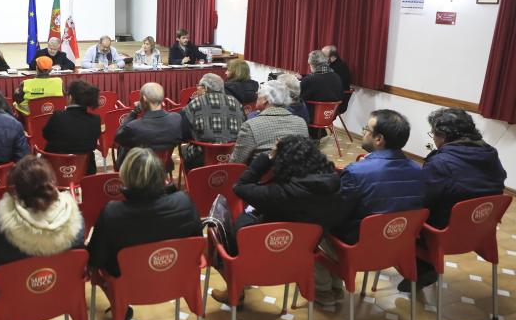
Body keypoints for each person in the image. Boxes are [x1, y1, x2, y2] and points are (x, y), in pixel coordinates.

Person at [211, 135, 349, 304]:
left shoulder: (282, 194)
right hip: (301, 256)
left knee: (220, 233)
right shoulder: (334, 182)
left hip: (263, 255)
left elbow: (239, 187)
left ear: (284, 161)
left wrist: (267, 157)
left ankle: (235, 291)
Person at [319, 109, 425, 306]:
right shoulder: (419, 171)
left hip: (358, 248)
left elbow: (337, 214)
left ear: (378, 139)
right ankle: (333, 285)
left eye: (366, 129)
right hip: (398, 246)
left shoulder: (357, 172)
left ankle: (323, 289)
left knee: (313, 228)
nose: (364, 132)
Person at [399, 108, 507, 292]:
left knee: (405, 215)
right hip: (481, 230)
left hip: (445, 235)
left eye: (433, 134)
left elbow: (421, 200)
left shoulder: (441, 163)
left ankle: (423, 267)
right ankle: (423, 268)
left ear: (443, 136)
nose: (433, 138)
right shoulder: (490, 153)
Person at [0, 155, 85, 298]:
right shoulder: (73, 216)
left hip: (8, 295)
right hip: (58, 289)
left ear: (17, 189)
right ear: (51, 182)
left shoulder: (0, 221)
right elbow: (78, 253)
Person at [87, 147, 201, 278]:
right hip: (176, 279)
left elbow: (95, 259)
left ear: (125, 176)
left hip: (127, 284)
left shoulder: (111, 213)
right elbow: (197, 246)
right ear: (160, 174)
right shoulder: (184, 202)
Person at [230, 80, 308, 165]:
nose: (256, 95)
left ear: (265, 100)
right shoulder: (301, 123)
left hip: (261, 172)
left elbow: (236, 162)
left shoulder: (250, 126)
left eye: (259, 93)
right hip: (295, 171)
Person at [180, 73, 245, 170]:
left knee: (183, 148)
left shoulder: (195, 103)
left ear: (205, 88)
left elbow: (183, 133)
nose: (197, 89)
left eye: (199, 86)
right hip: (232, 156)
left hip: (201, 159)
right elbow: (244, 126)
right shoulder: (236, 103)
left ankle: (191, 178)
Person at [114, 82, 183, 167]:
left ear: (144, 98)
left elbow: (118, 137)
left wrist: (134, 112)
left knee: (123, 148)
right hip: (164, 167)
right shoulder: (177, 118)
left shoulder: (134, 127)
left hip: (140, 169)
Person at [43, 80, 102, 174]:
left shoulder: (58, 116)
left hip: (55, 170)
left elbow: (46, 135)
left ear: (70, 97)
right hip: (86, 171)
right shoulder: (96, 120)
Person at [300, 50, 344, 123]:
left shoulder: (310, 79)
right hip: (330, 116)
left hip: (311, 118)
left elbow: (299, 98)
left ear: (312, 64)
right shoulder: (337, 77)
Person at [322, 45, 352, 114]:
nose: (322, 58)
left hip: (337, 102)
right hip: (332, 98)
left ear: (332, 57)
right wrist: (302, 76)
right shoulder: (331, 65)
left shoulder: (340, 68)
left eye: (324, 56)